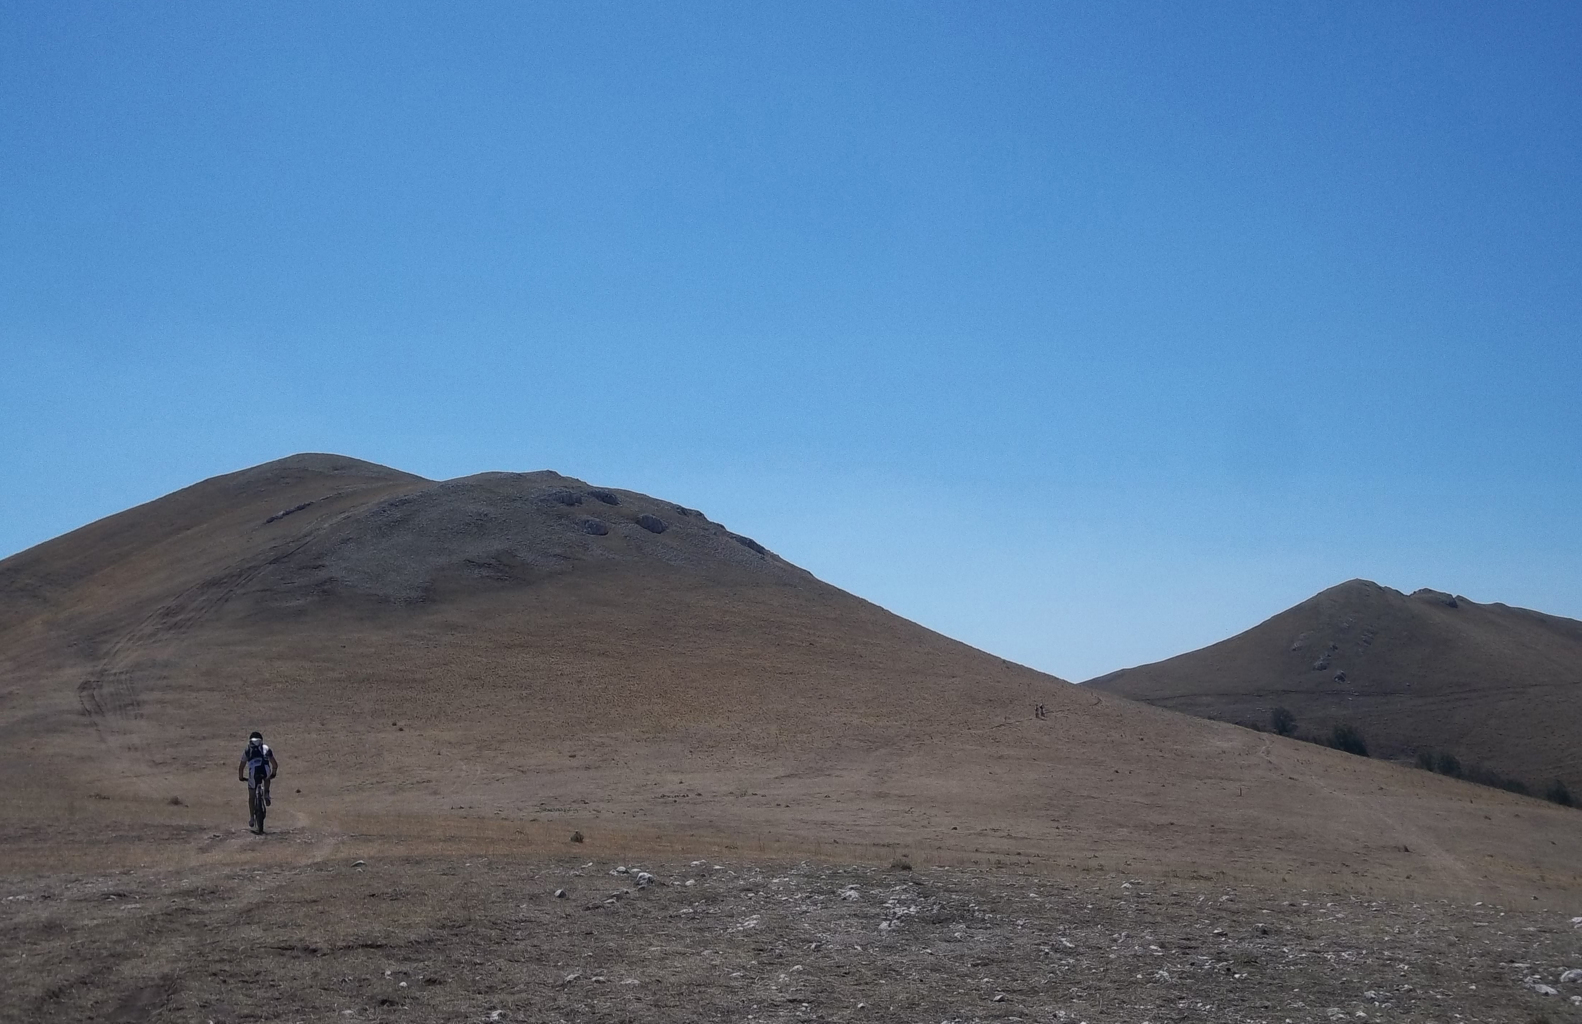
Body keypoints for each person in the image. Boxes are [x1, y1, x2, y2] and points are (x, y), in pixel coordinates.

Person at [237, 731, 279, 819]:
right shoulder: (266, 748)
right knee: (267, 778)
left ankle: (252, 818)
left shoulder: (247, 750)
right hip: (265, 770)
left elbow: (241, 767)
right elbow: (274, 764)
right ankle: (266, 793)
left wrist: (241, 778)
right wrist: (273, 773)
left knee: (252, 796)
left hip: (253, 773)